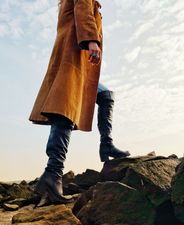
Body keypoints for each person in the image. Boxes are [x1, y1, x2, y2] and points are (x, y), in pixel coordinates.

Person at [29, 0, 130, 206]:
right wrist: (92, 40)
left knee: (104, 95)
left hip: (74, 56)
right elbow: (82, 9)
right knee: (64, 109)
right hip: (73, 53)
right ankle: (53, 173)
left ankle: (106, 145)